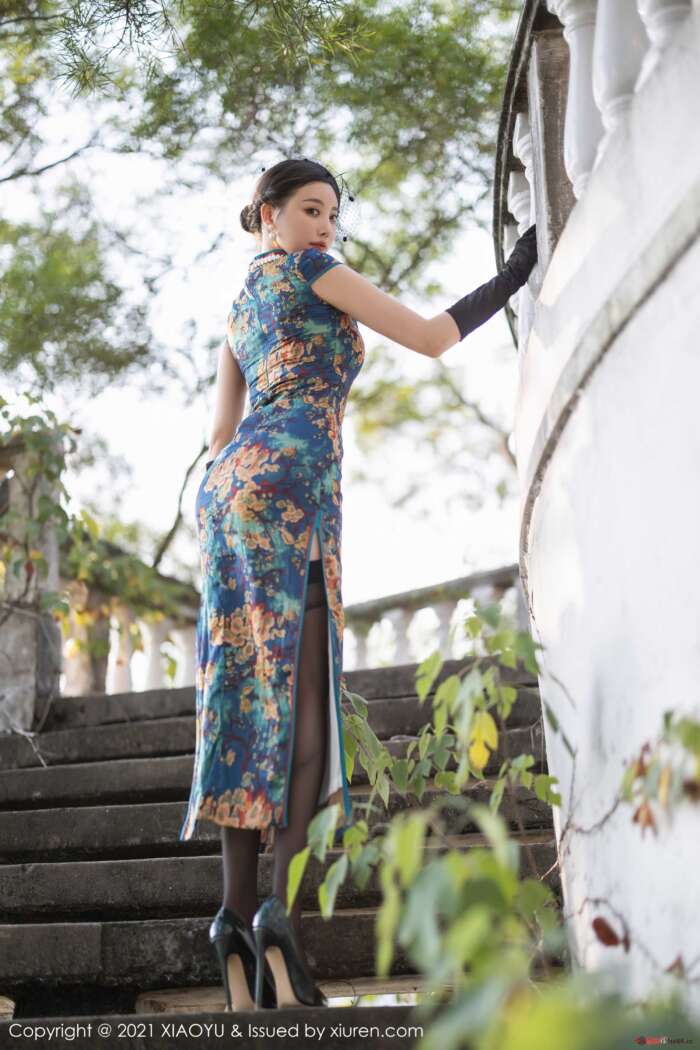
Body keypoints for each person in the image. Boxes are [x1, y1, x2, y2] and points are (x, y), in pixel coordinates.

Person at [178, 157, 538, 1013]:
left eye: (332, 215)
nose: (325, 226)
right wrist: (518, 269)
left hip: (226, 500)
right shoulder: (311, 269)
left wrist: (238, 490)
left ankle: (231, 920)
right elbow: (431, 337)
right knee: (307, 709)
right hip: (294, 485)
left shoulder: (238, 309)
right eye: (310, 209)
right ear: (268, 214)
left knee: (242, 697)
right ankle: (277, 912)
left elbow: (221, 433)